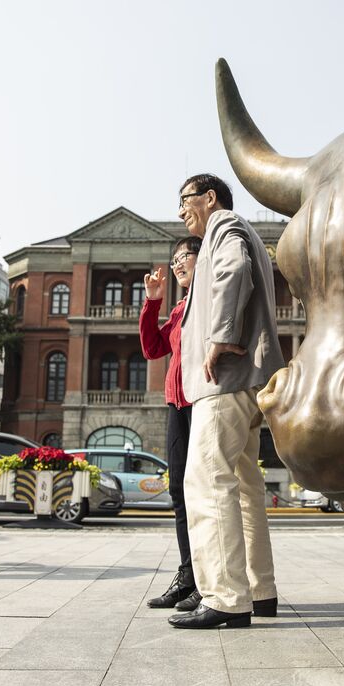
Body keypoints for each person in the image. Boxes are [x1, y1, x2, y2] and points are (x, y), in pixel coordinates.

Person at [169, 174, 285, 630]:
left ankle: (225, 597)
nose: (181, 212)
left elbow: (233, 269)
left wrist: (219, 338)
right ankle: (260, 589)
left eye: (184, 201)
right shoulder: (240, 228)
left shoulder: (223, 225)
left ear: (209, 197)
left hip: (225, 379)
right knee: (245, 487)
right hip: (248, 381)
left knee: (205, 480)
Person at [139, 235, 201, 608]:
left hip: (201, 402)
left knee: (200, 494)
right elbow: (152, 349)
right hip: (176, 405)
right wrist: (153, 301)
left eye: (185, 257)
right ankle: (187, 575)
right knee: (178, 491)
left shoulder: (207, 301)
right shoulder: (179, 310)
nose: (178, 264)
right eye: (175, 259)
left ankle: (204, 579)